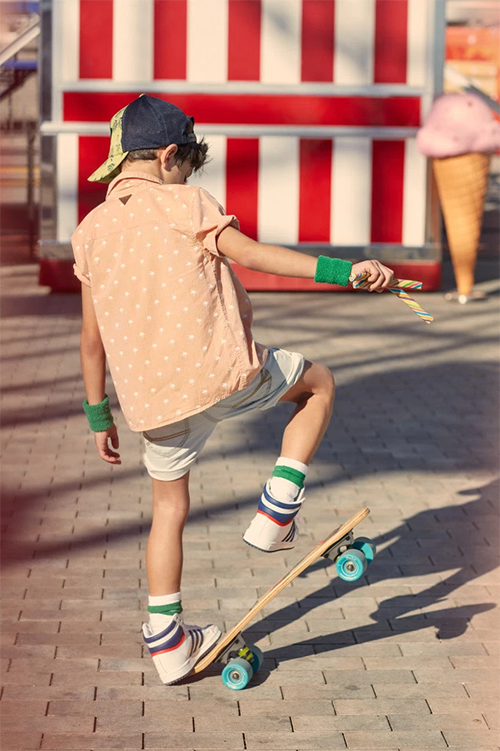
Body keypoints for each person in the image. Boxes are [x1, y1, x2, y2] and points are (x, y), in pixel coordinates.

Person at [72, 94, 394, 686]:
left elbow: (91, 341)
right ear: (169, 155)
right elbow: (253, 256)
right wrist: (343, 271)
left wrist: (99, 416)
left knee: (168, 510)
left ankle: (168, 644)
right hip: (222, 373)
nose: (187, 176)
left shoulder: (89, 230)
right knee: (318, 384)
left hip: (152, 403)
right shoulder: (186, 202)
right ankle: (277, 511)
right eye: (187, 165)